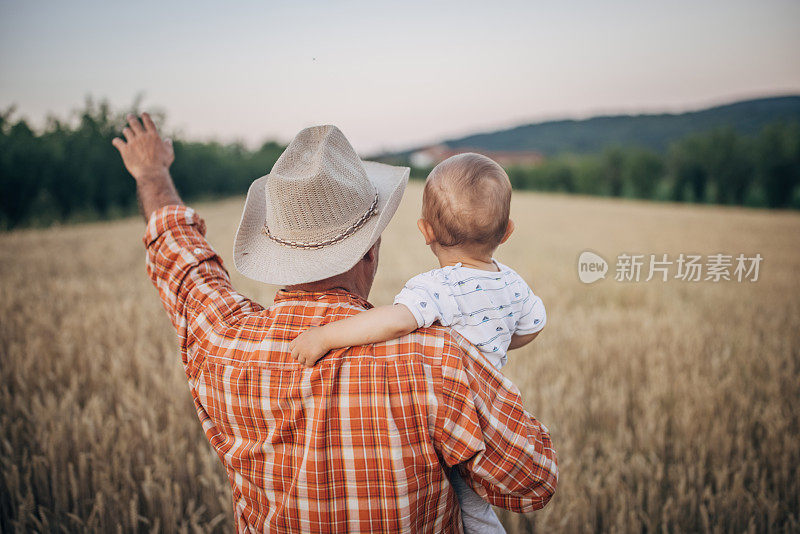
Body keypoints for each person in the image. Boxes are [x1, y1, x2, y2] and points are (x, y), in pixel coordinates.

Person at [112, 113, 557, 533]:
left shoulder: (222, 341)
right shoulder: (439, 360)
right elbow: (531, 481)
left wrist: (152, 174)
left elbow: (184, 264)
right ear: (370, 248)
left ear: (277, 250)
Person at [289, 153, 546, 533]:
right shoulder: (513, 284)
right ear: (506, 231)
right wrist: (498, 343)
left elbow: (394, 322)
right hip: (486, 414)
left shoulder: (436, 287)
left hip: (450, 420)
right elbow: (534, 325)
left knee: (454, 495)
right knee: (476, 509)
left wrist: (325, 336)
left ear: (425, 231)